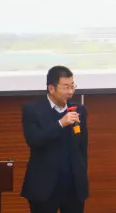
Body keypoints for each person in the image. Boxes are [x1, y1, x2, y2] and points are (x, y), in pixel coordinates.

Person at [21, 66, 89, 213]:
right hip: (44, 186)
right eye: (65, 87)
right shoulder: (33, 110)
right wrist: (60, 124)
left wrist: (81, 173)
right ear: (51, 88)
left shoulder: (78, 110)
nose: (70, 92)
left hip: (73, 187)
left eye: (72, 86)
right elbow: (34, 140)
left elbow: (82, 146)